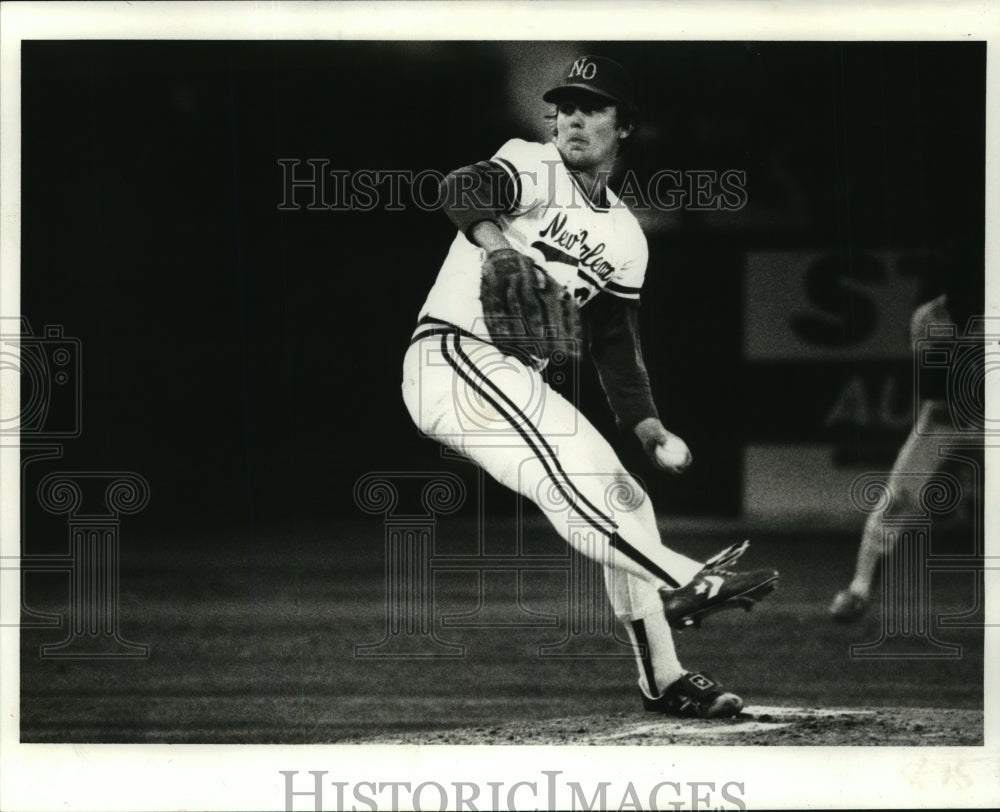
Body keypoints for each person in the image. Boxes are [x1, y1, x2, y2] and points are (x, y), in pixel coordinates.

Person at [402, 55, 778, 717]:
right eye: (565, 104)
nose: (572, 116)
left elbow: (611, 337)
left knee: (625, 499)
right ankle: (688, 578)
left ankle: (666, 680)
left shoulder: (626, 236)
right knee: (570, 483)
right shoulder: (533, 162)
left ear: (625, 124)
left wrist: (646, 422)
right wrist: (498, 246)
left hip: (511, 377)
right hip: (451, 360)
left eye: (593, 105)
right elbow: (462, 187)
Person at [829, 277, 983, 623]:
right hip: (943, 418)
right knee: (895, 499)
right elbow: (931, 384)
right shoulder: (930, 315)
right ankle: (859, 590)